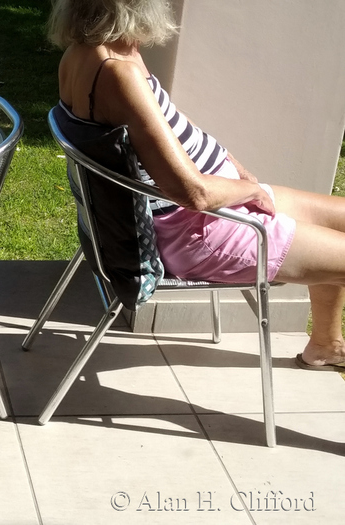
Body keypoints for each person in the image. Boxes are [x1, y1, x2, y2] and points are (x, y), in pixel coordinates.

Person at [48, 0, 345, 371]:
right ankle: (325, 345)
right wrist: (250, 191)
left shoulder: (89, 53)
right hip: (200, 230)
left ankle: (325, 345)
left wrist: (233, 166)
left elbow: (169, 121)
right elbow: (194, 193)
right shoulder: (115, 73)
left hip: (216, 207)